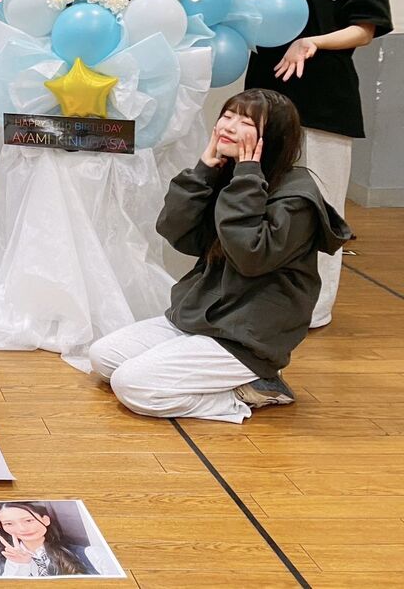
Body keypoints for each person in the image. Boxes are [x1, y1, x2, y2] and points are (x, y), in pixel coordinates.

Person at [89, 89, 351, 422]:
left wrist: (247, 177)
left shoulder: (297, 198)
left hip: (248, 336)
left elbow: (250, 256)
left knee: (133, 386)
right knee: (103, 357)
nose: (228, 126)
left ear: (271, 137)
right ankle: (214, 373)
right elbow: (177, 232)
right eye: (227, 116)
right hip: (205, 317)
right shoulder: (229, 173)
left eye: (245, 123)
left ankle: (248, 392)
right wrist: (203, 171)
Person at [245, 0, 391, 328]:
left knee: (322, 204)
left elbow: (365, 28)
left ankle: (315, 306)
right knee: (258, 196)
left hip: (326, 98)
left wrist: (312, 42)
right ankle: (255, 294)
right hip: (266, 93)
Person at [0, 502, 101, 577]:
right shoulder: (1, 561)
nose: (22, 529)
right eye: (9, 524)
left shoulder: (88, 554)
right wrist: (19, 565)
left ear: (45, 520)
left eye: (28, 520)